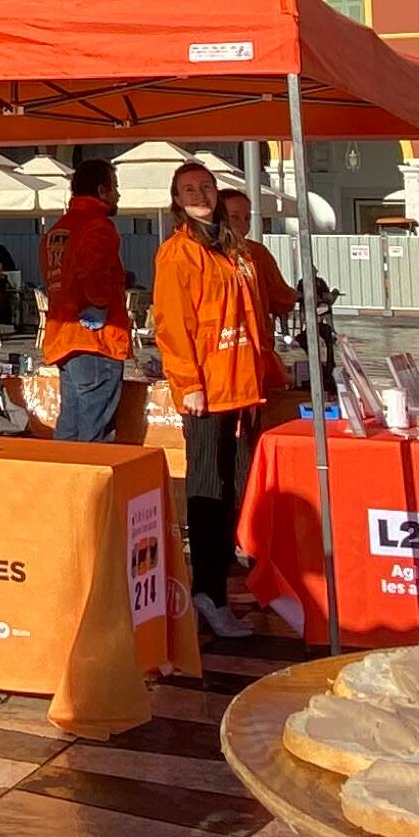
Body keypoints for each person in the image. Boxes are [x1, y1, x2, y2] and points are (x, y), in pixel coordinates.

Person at [146, 160, 274, 641]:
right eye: (188, 189)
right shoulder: (178, 253)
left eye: (205, 186)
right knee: (208, 490)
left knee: (239, 487)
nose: (199, 193)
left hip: (243, 386)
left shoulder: (230, 248)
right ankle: (208, 592)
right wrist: (189, 382)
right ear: (176, 200)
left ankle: (221, 583)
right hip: (208, 391)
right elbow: (172, 324)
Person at [38, 154, 134, 442]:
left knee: (71, 420)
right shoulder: (97, 226)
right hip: (96, 341)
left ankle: (64, 480)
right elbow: (93, 272)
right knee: (96, 427)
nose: (118, 194)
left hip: (64, 337)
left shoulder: (57, 230)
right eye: (114, 187)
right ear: (102, 191)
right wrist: (101, 304)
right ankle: (94, 484)